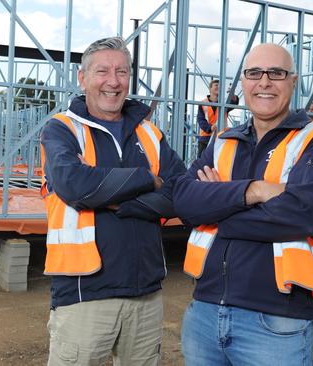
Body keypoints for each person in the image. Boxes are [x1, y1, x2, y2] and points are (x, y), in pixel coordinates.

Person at [174, 43, 313, 365]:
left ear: (293, 82)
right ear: (243, 82)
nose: (264, 82)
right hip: (204, 312)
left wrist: (215, 212)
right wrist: (254, 192)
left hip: (275, 322)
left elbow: (305, 215)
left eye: (276, 73)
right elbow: (184, 201)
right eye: (254, 73)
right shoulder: (224, 141)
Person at [40, 36, 186, 366]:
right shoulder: (62, 129)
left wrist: (125, 204)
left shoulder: (148, 133)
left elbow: (181, 190)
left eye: (121, 71)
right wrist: (148, 179)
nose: (113, 81)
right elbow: (75, 186)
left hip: (145, 293)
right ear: (83, 78)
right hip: (84, 295)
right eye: (102, 71)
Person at [196, 79, 239, 158]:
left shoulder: (224, 103)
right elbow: (201, 120)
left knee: (219, 161)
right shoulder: (203, 103)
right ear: (210, 89)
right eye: (216, 85)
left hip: (221, 136)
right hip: (206, 137)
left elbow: (234, 103)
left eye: (220, 86)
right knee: (202, 163)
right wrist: (210, 128)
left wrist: (232, 95)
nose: (218, 87)